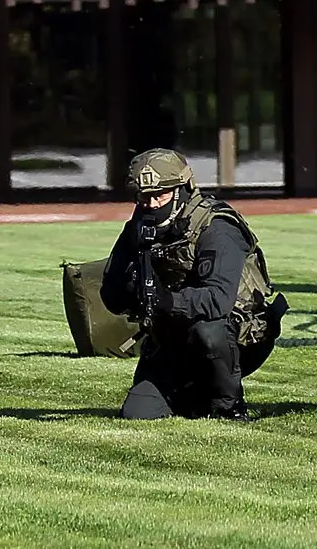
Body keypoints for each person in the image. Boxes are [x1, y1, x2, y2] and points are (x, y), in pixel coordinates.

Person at [99, 150, 287, 422]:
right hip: (171, 338)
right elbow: (110, 294)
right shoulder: (138, 226)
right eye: (143, 196)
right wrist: (132, 288)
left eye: (159, 195)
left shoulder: (217, 227)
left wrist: (166, 300)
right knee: (138, 413)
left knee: (208, 331)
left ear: (182, 189)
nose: (151, 204)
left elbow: (219, 300)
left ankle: (229, 407)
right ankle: (195, 395)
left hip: (235, 336)